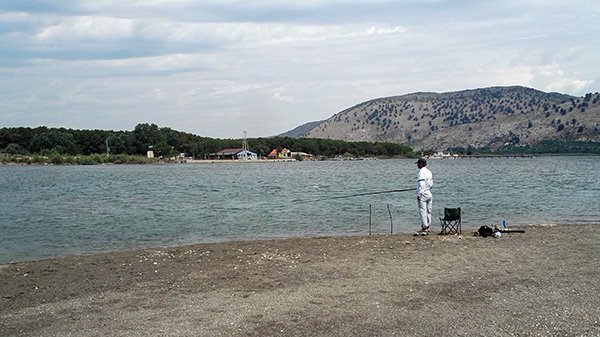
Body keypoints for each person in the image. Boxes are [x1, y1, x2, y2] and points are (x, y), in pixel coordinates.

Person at [415, 157, 433, 235]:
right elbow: (431, 184)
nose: (417, 165)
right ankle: (428, 226)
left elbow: (421, 184)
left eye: (418, 164)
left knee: (423, 211)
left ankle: (424, 227)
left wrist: (419, 194)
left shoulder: (421, 172)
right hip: (429, 192)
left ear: (421, 164)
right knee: (429, 210)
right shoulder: (429, 172)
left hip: (423, 194)